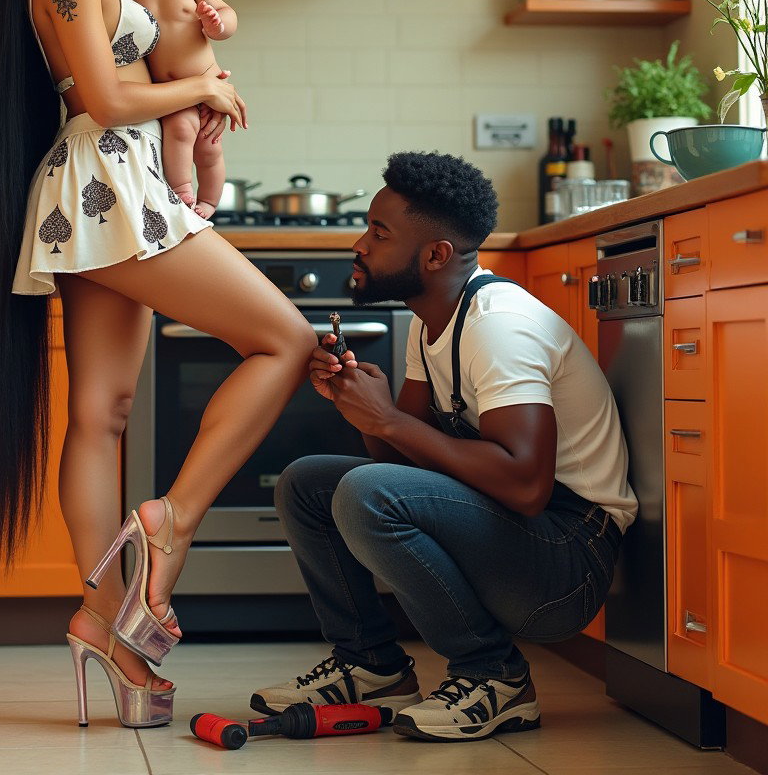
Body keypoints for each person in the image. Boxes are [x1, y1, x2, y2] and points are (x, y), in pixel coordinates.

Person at [0, 0, 315, 731]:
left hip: (104, 188)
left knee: (100, 416)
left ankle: (107, 622)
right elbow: (104, 99)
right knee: (287, 340)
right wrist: (203, 86)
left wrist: (192, 85)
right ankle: (169, 526)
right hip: (111, 183)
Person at [251, 151, 636, 743]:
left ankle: (495, 678)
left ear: (435, 255)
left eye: (379, 233)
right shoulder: (432, 321)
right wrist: (368, 415)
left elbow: (527, 487)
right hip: (516, 531)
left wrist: (389, 420)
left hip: (568, 558)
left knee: (364, 492)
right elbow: (397, 464)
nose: (359, 245)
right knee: (308, 484)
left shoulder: (498, 325)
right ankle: (371, 668)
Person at [121, 0, 233, 219]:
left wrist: (216, 25)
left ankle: (209, 201)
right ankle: (182, 192)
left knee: (209, 148)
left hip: (207, 83)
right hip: (171, 94)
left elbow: (228, 15)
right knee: (181, 133)